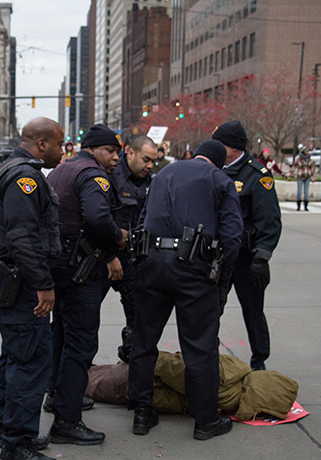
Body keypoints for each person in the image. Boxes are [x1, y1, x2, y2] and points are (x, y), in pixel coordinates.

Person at [127, 140, 243, 440]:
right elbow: (232, 236)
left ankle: (141, 412)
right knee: (199, 346)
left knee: (144, 340)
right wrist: (222, 279)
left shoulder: (163, 174)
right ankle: (205, 420)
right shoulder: (220, 179)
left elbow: (143, 220)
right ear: (219, 162)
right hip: (194, 268)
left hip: (151, 262)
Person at [0, 117, 64, 460]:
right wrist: (44, 285)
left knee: (18, 357)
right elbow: (22, 239)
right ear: (42, 143)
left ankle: (7, 430)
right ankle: (18, 445)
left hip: (11, 279)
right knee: (31, 362)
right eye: (60, 143)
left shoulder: (6, 167)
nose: (63, 151)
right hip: (21, 282)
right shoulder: (25, 178)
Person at [45, 124, 128, 446]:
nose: (115, 158)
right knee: (80, 344)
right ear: (93, 149)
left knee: (61, 334)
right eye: (110, 151)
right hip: (83, 270)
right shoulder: (93, 175)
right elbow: (97, 218)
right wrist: (117, 238)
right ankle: (67, 420)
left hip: (60, 267)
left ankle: (58, 395)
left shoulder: (60, 170)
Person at [215, 120, 282, 371]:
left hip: (247, 258)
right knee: (212, 308)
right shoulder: (214, 168)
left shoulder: (257, 175)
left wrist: (261, 257)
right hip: (219, 256)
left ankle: (259, 361)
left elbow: (270, 220)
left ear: (233, 147)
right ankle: (209, 357)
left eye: (220, 144)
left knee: (253, 312)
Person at [104, 135, 155, 362]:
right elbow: (96, 220)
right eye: (146, 159)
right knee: (80, 321)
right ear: (130, 153)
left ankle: (129, 365)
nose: (150, 165)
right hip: (104, 258)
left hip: (134, 260)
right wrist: (109, 255)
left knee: (137, 319)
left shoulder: (152, 182)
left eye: (153, 160)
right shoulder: (109, 176)